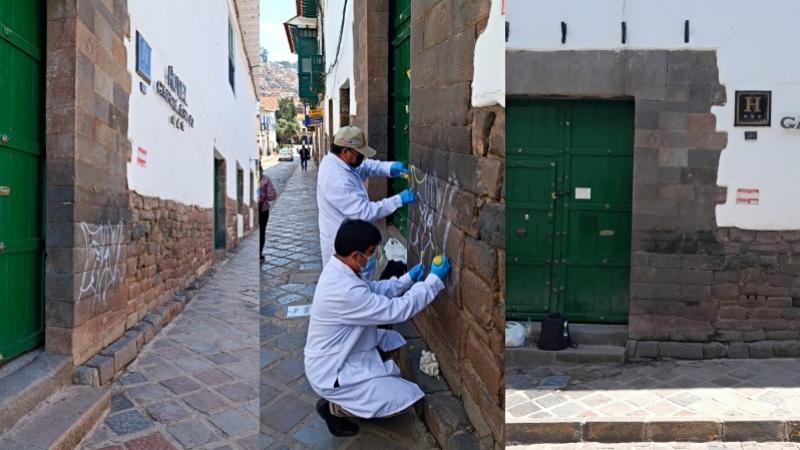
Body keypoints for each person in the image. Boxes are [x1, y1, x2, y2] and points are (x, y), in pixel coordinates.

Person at [304, 219, 451, 437]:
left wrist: (405, 281)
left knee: (390, 339)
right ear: (356, 255)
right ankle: (334, 408)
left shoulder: (339, 269)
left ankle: (366, 382)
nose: (372, 257)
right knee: (403, 398)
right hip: (330, 371)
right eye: (371, 252)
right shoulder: (344, 290)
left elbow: (371, 289)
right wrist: (432, 282)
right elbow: (396, 310)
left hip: (342, 353)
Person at [317, 125, 416, 274]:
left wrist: (389, 168)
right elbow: (365, 212)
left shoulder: (338, 161)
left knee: (362, 286)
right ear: (346, 152)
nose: (362, 158)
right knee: (354, 290)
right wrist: (398, 200)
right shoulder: (336, 179)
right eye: (359, 154)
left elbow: (365, 167)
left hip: (355, 241)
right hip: (347, 250)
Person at [258, 173, 277, 263]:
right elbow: (272, 195)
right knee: (261, 232)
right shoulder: (265, 179)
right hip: (263, 210)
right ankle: (259, 254)